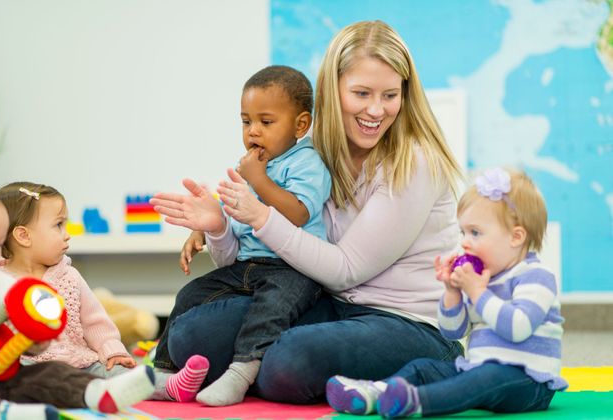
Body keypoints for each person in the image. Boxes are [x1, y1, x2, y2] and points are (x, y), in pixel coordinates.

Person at [149, 19, 464, 405]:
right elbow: (242, 254)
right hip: (328, 304)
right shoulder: (308, 152)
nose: (376, 110)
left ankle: (435, 368)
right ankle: (261, 370)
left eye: (390, 95)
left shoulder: (414, 162)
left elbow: (347, 268)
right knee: (190, 337)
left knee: (290, 361)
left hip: (406, 321)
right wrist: (218, 225)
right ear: (333, 92)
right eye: (361, 93)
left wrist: (262, 217)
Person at [152, 65, 332, 406]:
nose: (253, 132)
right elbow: (236, 215)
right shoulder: (253, 166)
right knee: (192, 293)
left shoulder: (306, 163)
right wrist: (204, 229)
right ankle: (163, 372)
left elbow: (297, 213)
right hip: (248, 265)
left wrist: (259, 179)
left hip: (292, 269)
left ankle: (241, 372)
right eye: (246, 121)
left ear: (300, 125)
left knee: (270, 309)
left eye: (266, 122)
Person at [326, 168, 566, 417]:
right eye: (463, 232)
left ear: (516, 237)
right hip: (478, 370)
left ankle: (416, 402)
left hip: (529, 381)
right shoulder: (483, 280)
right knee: (423, 368)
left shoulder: (536, 277)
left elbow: (518, 327)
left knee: (487, 376)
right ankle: (376, 393)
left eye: (475, 232)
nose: (464, 242)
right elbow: (453, 332)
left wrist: (478, 293)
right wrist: (452, 292)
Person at [0, 182, 156, 420]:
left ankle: (95, 393)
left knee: (51, 371)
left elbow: (17, 332)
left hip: (4, 377)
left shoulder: (3, 284)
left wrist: (34, 341)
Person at [0, 182, 209, 401]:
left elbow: (95, 322)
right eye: (58, 225)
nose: (67, 235)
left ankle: (170, 385)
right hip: (30, 369)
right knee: (20, 382)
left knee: (118, 374)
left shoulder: (69, 276)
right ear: (23, 236)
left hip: (81, 365)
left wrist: (113, 351)